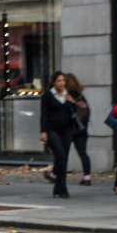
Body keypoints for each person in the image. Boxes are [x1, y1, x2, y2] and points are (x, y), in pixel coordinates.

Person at [39, 71, 76, 199]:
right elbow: (44, 114)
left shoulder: (68, 94)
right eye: (59, 81)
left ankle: (59, 187)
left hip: (67, 130)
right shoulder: (48, 96)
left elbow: (74, 112)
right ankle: (62, 187)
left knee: (63, 158)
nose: (62, 83)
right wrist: (43, 131)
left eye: (63, 81)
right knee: (59, 154)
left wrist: (72, 102)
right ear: (54, 82)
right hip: (52, 130)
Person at [64, 73, 91, 185]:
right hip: (81, 129)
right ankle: (87, 176)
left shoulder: (66, 96)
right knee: (83, 153)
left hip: (69, 128)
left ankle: (57, 173)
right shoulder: (80, 96)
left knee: (63, 153)